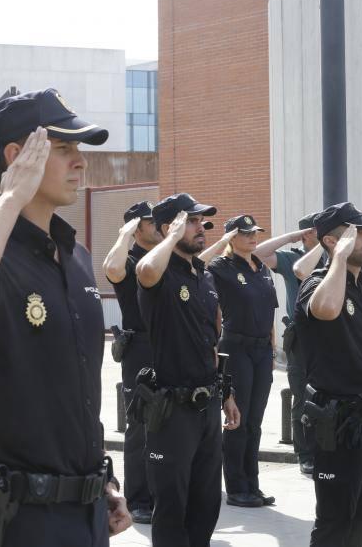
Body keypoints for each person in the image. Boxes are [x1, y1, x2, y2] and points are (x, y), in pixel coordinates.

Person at [0, 89, 132, 547]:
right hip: (16, 520)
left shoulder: (74, 255)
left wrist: (102, 480)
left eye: (79, 150)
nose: (81, 162)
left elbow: (76, 389)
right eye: (63, 149)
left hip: (88, 511)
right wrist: (12, 196)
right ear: (17, 156)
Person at [135, 193, 241, 547]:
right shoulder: (160, 274)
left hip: (207, 406)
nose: (201, 228)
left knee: (206, 501)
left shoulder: (203, 276)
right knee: (171, 506)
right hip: (172, 410)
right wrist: (168, 237)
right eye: (192, 222)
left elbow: (212, 344)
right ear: (170, 228)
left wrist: (226, 394)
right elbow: (144, 270)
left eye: (201, 222)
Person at [294, 202, 362, 547]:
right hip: (335, 423)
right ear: (332, 242)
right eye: (358, 233)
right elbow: (324, 309)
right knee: (334, 523)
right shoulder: (318, 284)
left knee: (359, 522)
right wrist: (338, 258)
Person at [207, 215, 278, 507]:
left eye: (254, 233)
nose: (252, 237)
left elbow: (270, 310)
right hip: (236, 347)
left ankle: (253, 484)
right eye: (245, 233)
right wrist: (222, 241)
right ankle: (237, 487)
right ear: (232, 237)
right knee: (239, 419)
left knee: (256, 421)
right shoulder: (221, 267)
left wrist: (272, 349)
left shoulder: (260, 268)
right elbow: (200, 265)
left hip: (262, 351)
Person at [103, 201, 162, 524]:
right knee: (139, 426)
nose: (157, 226)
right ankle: (139, 499)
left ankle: (160, 493)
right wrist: (124, 232)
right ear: (136, 229)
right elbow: (111, 270)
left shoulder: (160, 257)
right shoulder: (127, 259)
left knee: (167, 425)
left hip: (167, 346)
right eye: (150, 222)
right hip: (139, 348)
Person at [253, 213, 320, 474]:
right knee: (302, 396)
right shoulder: (293, 258)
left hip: (332, 338)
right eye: (315, 230)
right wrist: (293, 237)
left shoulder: (330, 258)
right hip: (302, 338)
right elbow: (259, 253)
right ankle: (305, 453)